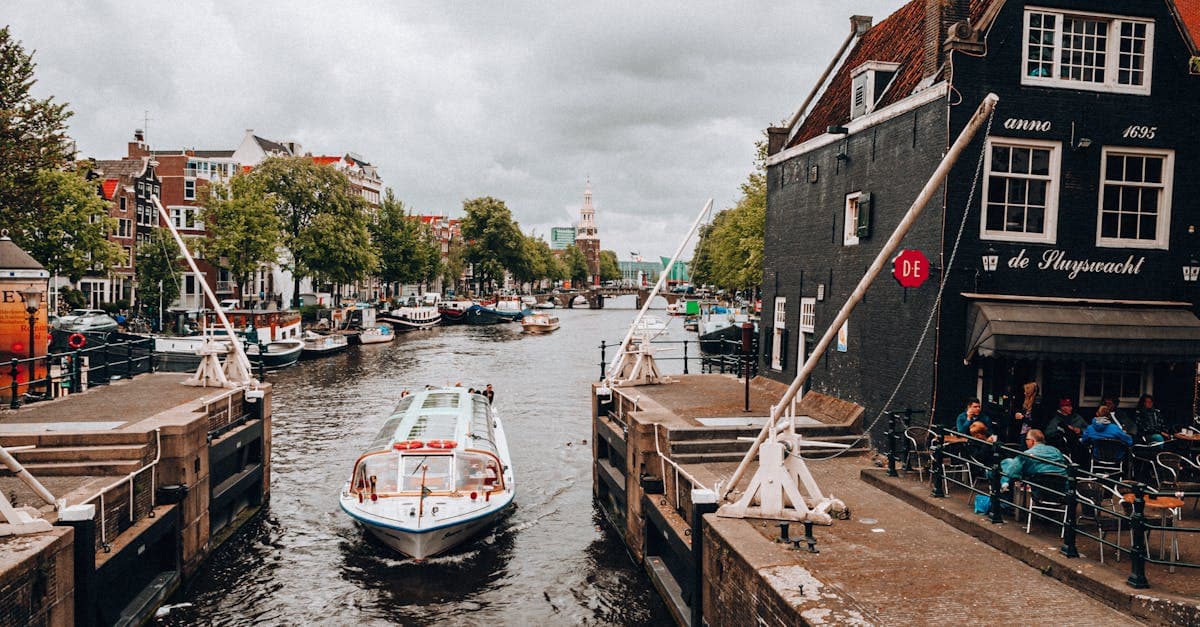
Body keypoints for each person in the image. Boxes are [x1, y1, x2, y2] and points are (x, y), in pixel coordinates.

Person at [1000, 429, 1068, 487]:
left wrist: (1007, 481)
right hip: (1061, 485)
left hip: (1039, 485)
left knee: (1008, 462)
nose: (1026, 442)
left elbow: (1013, 470)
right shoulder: (1056, 450)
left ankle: (1004, 485)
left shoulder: (1027, 453)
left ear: (1032, 441)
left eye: (1026, 439)